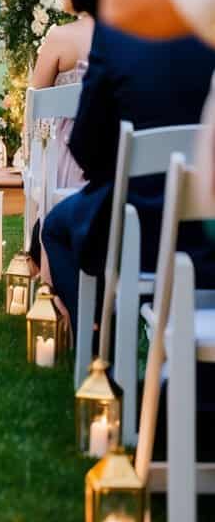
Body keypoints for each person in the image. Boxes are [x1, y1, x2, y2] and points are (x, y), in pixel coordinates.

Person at [41, 23, 215, 333]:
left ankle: (95, 339)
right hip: (205, 239)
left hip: (136, 232)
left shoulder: (118, 40)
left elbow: (85, 146)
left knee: (54, 227)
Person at [29, 0, 93, 193]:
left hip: (67, 154)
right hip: (113, 152)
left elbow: (36, 96)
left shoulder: (60, 37)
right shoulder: (120, 36)